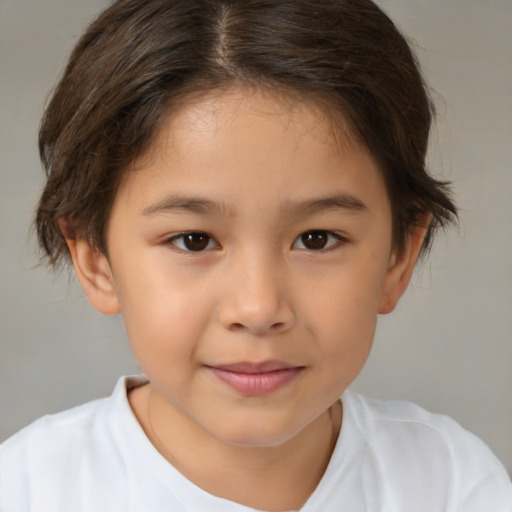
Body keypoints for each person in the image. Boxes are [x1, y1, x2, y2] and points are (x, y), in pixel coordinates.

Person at [1, 0, 511, 510]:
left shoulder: (452, 482)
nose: (259, 308)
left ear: (399, 255)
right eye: (193, 240)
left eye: (317, 239)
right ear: (94, 258)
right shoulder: (28, 488)